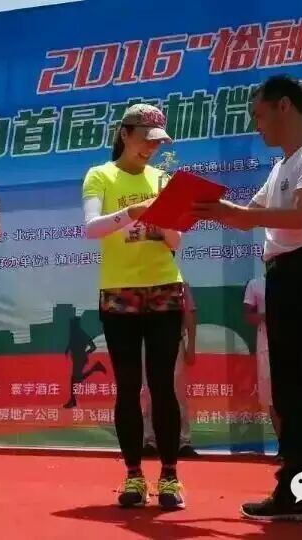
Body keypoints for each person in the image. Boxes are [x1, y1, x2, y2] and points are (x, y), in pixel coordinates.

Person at [192, 75, 302, 533]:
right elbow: (248, 213)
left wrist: (234, 213)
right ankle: (297, 492)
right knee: (291, 392)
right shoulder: (280, 167)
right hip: (282, 278)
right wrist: (196, 204)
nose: (258, 125)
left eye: (259, 114)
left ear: (284, 106)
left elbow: (301, 214)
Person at [82, 103, 186, 510]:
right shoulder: (100, 175)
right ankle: (133, 475)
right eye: (146, 140)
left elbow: (175, 242)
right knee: (127, 386)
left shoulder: (163, 179)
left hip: (164, 287)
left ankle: (170, 476)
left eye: (157, 143)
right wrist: (132, 213)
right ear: (125, 134)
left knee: (162, 385)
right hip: (119, 291)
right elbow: (91, 228)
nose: (151, 149)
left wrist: (164, 222)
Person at [142, 281, 197, 458]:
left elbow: (189, 313)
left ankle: (183, 441)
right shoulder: (141, 284)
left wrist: (191, 346)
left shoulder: (179, 284)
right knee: (148, 392)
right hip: (147, 343)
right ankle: (151, 441)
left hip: (174, 341)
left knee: (177, 392)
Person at [242, 275, 281, 457]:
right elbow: (248, 315)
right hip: (267, 346)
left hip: (295, 346)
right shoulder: (255, 284)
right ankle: (284, 445)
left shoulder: (295, 281)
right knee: (274, 398)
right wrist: (266, 316)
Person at [63, 316, 104, 409]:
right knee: (76, 379)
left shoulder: (81, 334)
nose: (70, 326)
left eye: (71, 324)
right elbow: (71, 343)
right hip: (77, 359)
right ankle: (96, 368)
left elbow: (93, 347)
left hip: (80, 359)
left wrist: (85, 353)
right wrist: (67, 349)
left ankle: (72, 401)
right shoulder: (74, 334)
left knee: (75, 379)